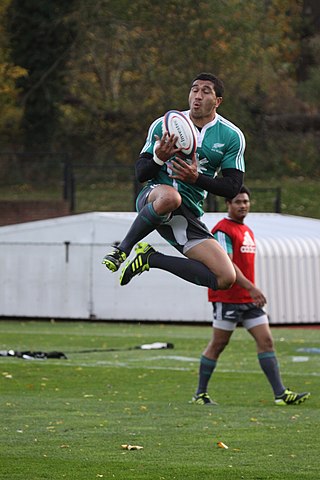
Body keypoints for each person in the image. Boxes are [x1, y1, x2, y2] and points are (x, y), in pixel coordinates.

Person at [102, 72, 246, 292]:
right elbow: (141, 173)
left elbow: (232, 187)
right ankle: (122, 250)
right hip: (154, 198)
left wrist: (196, 179)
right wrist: (159, 158)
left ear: (217, 102)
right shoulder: (164, 124)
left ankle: (151, 259)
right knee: (170, 197)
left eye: (205, 92)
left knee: (226, 277)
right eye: (194, 89)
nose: (197, 96)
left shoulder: (230, 136)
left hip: (188, 213)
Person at [192, 186, 311, 406]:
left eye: (246, 202)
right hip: (227, 298)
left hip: (248, 300)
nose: (243, 205)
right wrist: (252, 288)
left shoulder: (247, 230)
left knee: (266, 341)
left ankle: (280, 394)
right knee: (218, 344)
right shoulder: (222, 230)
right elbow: (226, 265)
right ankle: (200, 394)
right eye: (238, 202)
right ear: (228, 204)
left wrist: (250, 291)